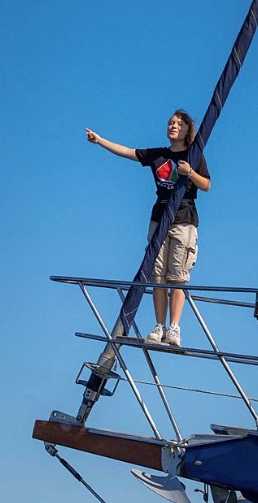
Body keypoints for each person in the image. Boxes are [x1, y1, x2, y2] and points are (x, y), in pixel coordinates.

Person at [85, 110, 210, 346]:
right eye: (170, 123)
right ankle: (159, 325)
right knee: (157, 275)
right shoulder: (158, 155)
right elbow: (128, 152)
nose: (173, 126)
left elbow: (206, 185)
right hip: (159, 217)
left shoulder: (193, 155)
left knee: (177, 276)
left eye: (178, 123)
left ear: (187, 130)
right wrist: (100, 140)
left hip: (184, 218)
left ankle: (174, 328)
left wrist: (190, 173)